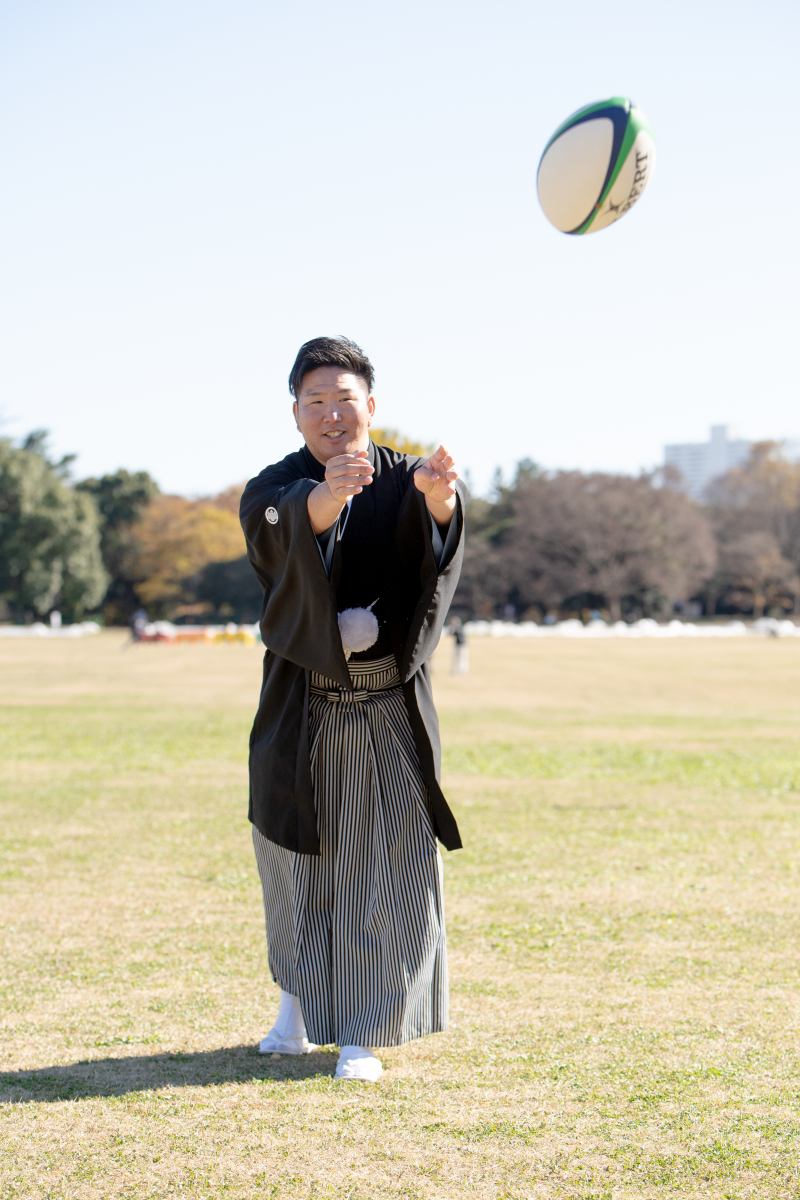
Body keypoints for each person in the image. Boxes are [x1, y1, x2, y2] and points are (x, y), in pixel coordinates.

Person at [239, 336, 465, 1082]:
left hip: (385, 713)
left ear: (372, 404)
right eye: (316, 402)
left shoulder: (407, 476)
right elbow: (277, 542)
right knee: (297, 866)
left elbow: (434, 558)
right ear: (296, 412)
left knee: (382, 866)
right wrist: (326, 498)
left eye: (346, 399)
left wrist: (437, 502)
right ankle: (295, 1013)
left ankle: (365, 1033)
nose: (332, 414)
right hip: (301, 712)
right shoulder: (274, 487)